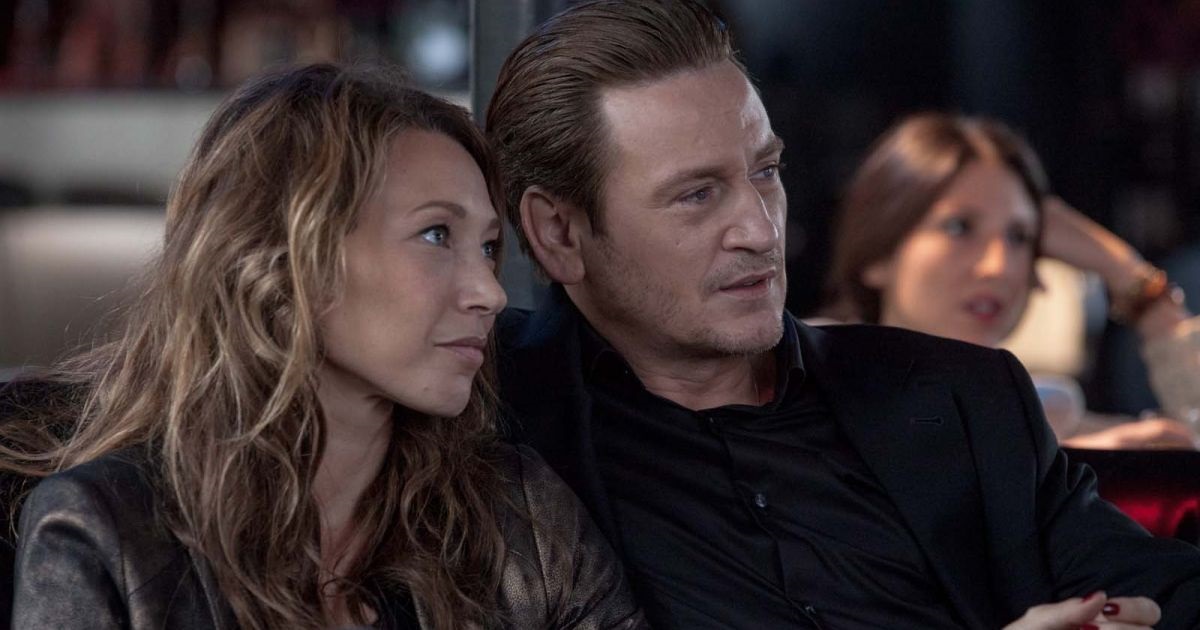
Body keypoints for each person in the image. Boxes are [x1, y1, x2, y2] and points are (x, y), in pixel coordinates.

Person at [484, 1, 1200, 628]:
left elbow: (1168, 594)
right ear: (559, 234)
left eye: (766, 173)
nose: (762, 229)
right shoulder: (486, 419)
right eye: (697, 195)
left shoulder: (964, 400)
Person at [1, 63, 645, 630]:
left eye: (487, 247)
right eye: (436, 235)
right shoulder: (106, 530)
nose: (491, 293)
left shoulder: (522, 521)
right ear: (286, 259)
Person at [822, 112, 1200, 450]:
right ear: (878, 255)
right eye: (959, 227)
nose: (998, 266)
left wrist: (1128, 274)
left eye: (1019, 237)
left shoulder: (1051, 417)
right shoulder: (812, 383)